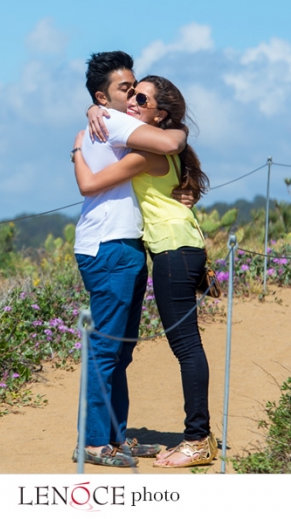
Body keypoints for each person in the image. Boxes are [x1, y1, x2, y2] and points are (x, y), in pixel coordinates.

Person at [74, 74, 218, 468]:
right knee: (186, 347)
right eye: (132, 94)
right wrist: (93, 108)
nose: (133, 102)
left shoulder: (147, 153)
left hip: (173, 249)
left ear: (160, 115)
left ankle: (197, 439)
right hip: (177, 246)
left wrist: (77, 148)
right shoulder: (158, 144)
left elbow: (90, 182)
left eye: (142, 99)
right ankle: (195, 437)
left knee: (187, 348)